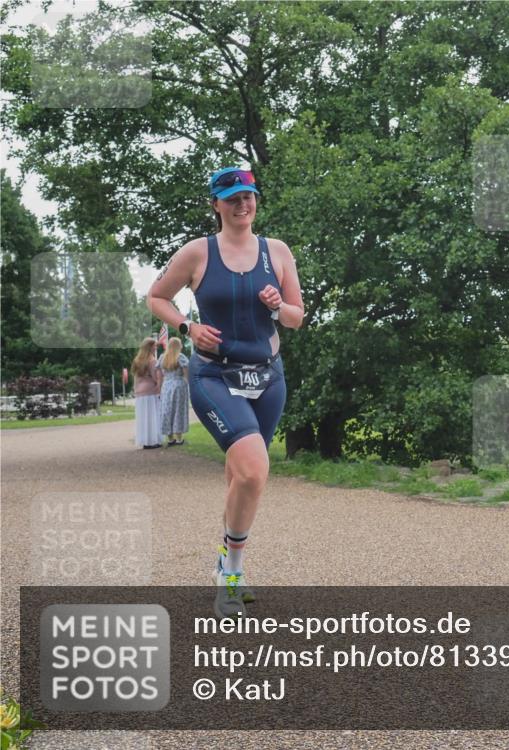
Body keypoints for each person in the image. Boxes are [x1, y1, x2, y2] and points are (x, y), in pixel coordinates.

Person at [147, 167, 304, 619]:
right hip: (215, 377)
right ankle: (231, 572)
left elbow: (296, 317)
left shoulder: (277, 252)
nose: (243, 205)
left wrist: (280, 307)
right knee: (255, 470)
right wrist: (188, 326)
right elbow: (156, 296)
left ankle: (224, 559)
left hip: (268, 378)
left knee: (240, 477)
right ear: (216, 204)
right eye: (232, 197)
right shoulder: (198, 253)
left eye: (249, 195)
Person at [157, 337, 190, 446]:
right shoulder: (180, 357)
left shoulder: (162, 357)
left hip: (166, 386)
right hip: (179, 385)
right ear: (177, 346)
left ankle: (170, 439)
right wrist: (187, 385)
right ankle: (179, 439)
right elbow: (186, 375)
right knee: (178, 411)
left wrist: (160, 388)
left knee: (167, 411)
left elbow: (160, 375)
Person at [131, 337, 163, 449]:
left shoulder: (137, 360)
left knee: (143, 418)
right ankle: (153, 440)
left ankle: (145, 441)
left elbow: (135, 377)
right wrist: (159, 385)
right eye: (154, 345)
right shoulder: (152, 360)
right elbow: (156, 377)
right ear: (150, 347)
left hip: (140, 392)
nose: (156, 347)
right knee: (153, 416)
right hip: (151, 391)